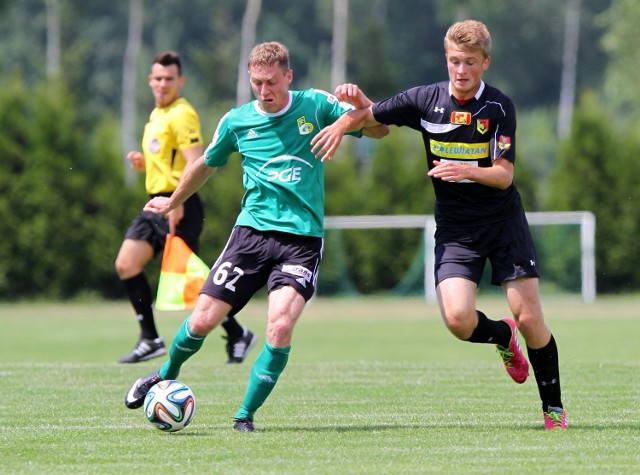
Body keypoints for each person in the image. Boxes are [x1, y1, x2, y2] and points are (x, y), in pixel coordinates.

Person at [311, 20, 567, 430]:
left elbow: (504, 174)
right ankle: (502, 338)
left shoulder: (499, 108)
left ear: (485, 62)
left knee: (530, 318)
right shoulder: (424, 99)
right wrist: (346, 119)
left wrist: (467, 169)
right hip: (456, 229)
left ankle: (553, 409)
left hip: (503, 223)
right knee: (457, 320)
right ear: (445, 60)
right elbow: (375, 120)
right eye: (453, 61)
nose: (460, 70)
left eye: (469, 62)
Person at [123, 41, 389, 431]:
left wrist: (360, 102)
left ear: (288, 77)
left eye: (271, 83)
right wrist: (172, 199)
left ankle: (244, 415)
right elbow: (205, 165)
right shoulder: (237, 121)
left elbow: (378, 129)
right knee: (202, 321)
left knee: (280, 326)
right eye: (257, 83)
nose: (264, 91)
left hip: (300, 241)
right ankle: (163, 373)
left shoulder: (316, 105)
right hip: (250, 235)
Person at [115, 51, 256, 365]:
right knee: (126, 264)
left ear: (180, 81)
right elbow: (167, 160)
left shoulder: (182, 114)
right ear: (150, 80)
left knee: (191, 283)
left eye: (169, 78)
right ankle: (150, 339)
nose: (162, 84)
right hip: (157, 202)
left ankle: (237, 333)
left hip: (178, 204)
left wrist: (176, 203)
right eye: (158, 78)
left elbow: (195, 162)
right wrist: (144, 164)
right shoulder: (156, 115)